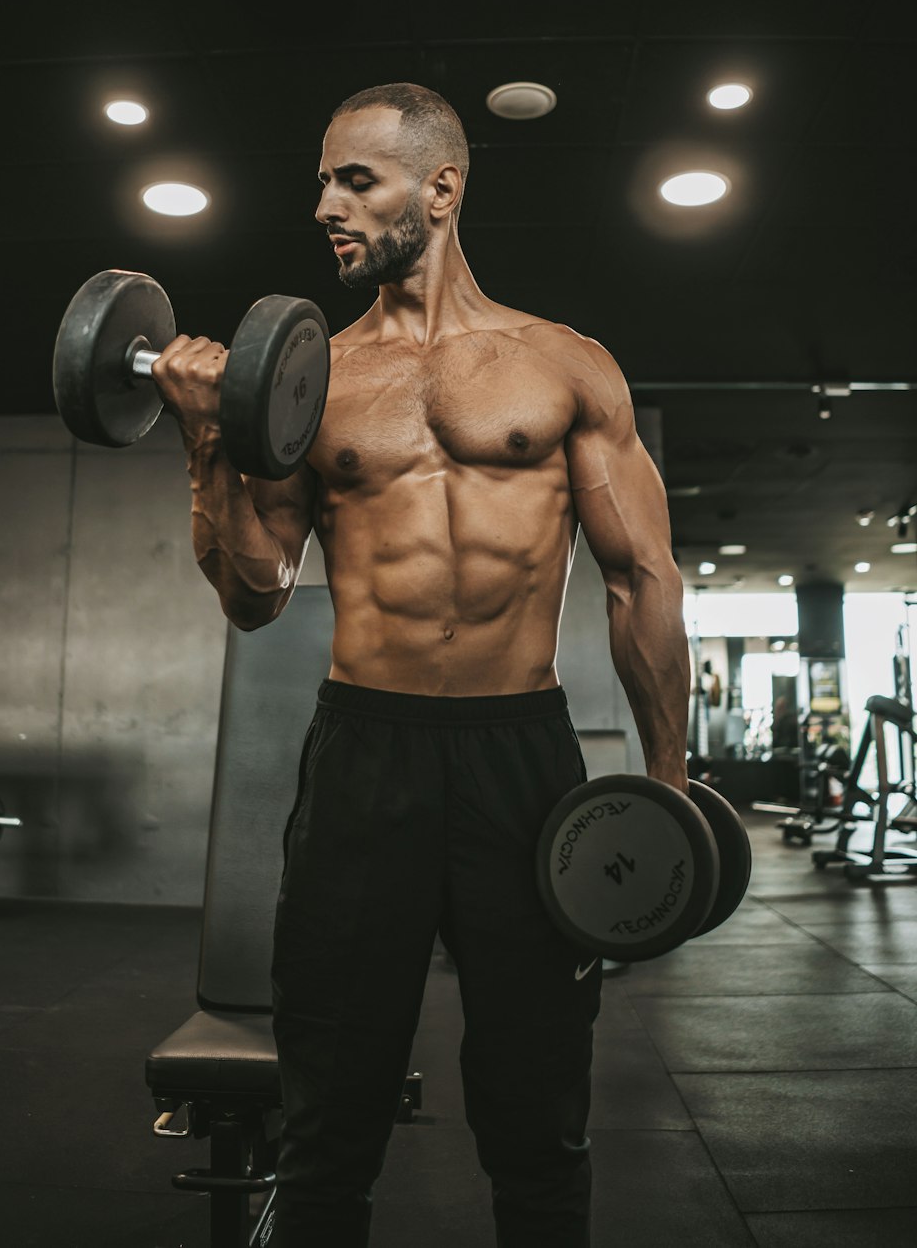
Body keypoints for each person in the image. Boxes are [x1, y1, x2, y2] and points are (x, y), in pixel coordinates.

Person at [151, 83, 690, 1247]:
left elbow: (642, 575)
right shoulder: (311, 380)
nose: (324, 207)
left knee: (538, 1110)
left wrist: (670, 788)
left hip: (521, 758)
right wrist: (207, 441)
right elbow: (255, 597)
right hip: (365, 758)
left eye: (355, 180)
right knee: (327, 1122)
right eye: (321, 182)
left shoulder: (565, 364)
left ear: (440, 189)